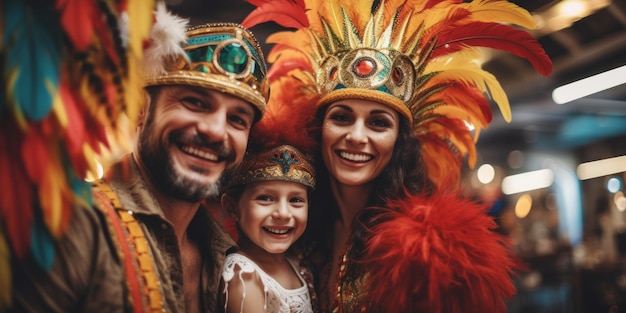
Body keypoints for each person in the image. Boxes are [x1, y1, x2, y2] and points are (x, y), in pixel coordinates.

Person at [242, 0, 553, 312]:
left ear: (400, 141)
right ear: (320, 127)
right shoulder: (293, 224)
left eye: (378, 123)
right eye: (342, 117)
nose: (357, 136)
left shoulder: (434, 252)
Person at [4, 3, 269, 313]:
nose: (215, 131)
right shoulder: (73, 225)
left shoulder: (232, 257)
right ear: (142, 108)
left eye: (237, 120)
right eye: (195, 102)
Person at [217, 75, 319, 313]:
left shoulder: (297, 264)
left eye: (295, 200)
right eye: (265, 198)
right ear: (233, 207)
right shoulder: (243, 278)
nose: (283, 213)